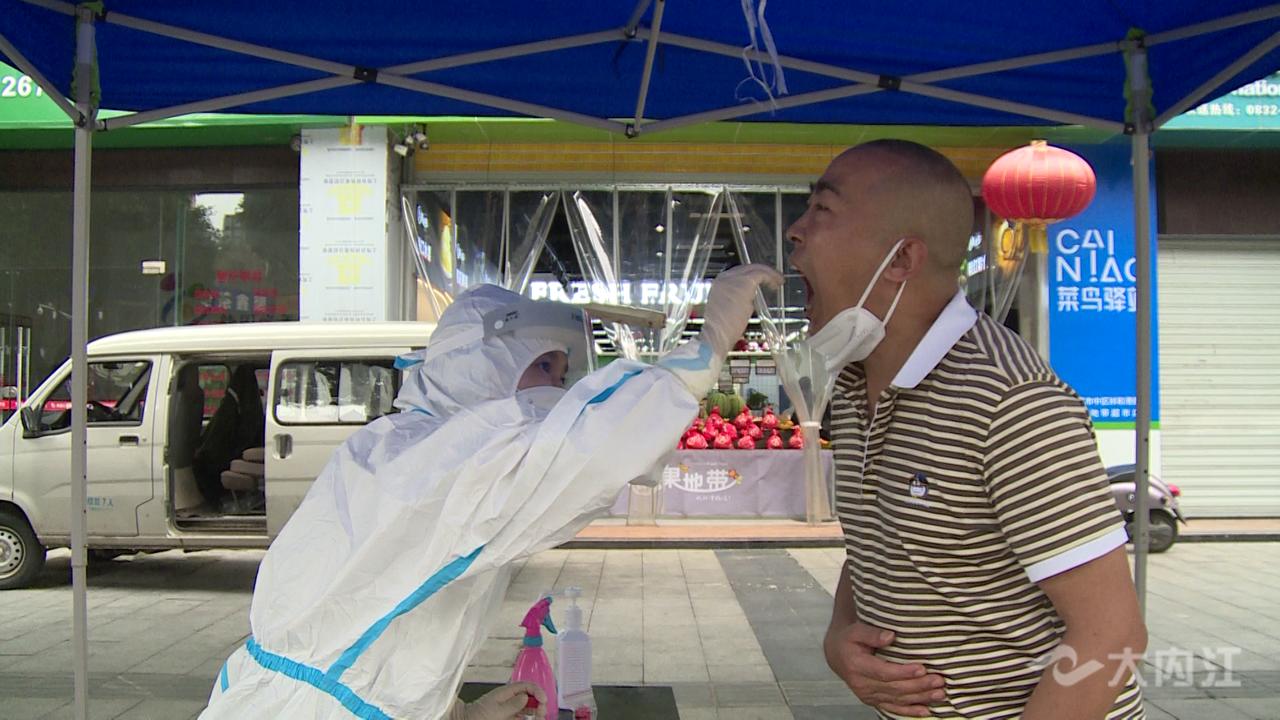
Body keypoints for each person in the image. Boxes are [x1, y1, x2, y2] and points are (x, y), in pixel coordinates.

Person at [202, 265, 780, 720]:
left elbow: (385, 611)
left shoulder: (403, 444)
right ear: (482, 367)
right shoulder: (442, 457)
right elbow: (586, 452)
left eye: (561, 372)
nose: (557, 386)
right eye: (544, 366)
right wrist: (707, 349)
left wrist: (453, 711)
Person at [789, 139, 1146, 719]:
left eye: (822, 210)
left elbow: (1112, 636)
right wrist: (839, 637)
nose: (795, 231)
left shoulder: (1011, 402)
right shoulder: (854, 384)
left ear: (901, 259)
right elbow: (883, 542)